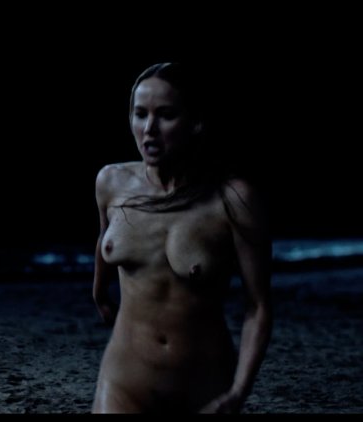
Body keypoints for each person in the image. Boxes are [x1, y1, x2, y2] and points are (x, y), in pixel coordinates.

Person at [91, 62, 272, 413]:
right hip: (124, 382)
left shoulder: (233, 200)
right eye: (140, 114)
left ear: (196, 122)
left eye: (166, 115)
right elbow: (104, 240)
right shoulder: (111, 183)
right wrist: (99, 292)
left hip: (204, 388)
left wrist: (238, 392)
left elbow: (259, 306)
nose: (149, 129)